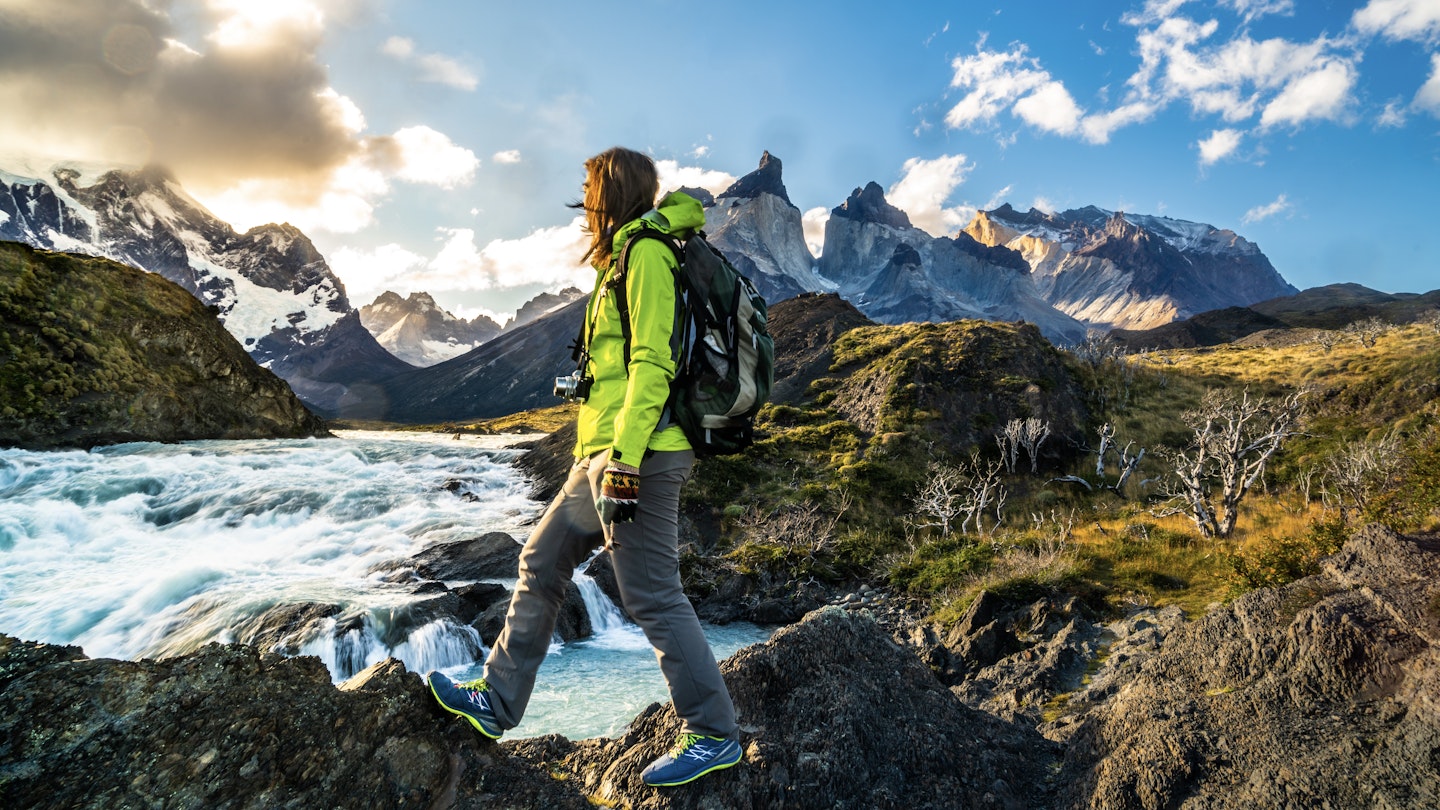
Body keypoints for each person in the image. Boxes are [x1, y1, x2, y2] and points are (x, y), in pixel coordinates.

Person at [425, 147, 742, 788]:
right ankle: (497, 700)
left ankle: (714, 733)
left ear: (612, 192)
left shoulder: (648, 255)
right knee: (540, 564)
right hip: (598, 455)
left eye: (591, 189)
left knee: (651, 594)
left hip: (641, 455)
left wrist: (623, 462)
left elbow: (653, 365)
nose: (584, 202)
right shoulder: (622, 257)